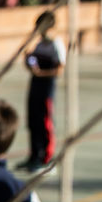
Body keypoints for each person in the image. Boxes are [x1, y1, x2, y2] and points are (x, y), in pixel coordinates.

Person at [20, 12, 65, 174]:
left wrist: (41, 74)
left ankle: (47, 159)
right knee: (33, 122)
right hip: (34, 86)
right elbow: (32, 65)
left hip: (46, 88)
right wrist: (28, 62)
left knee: (45, 123)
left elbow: (59, 70)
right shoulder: (39, 44)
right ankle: (34, 155)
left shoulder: (56, 45)